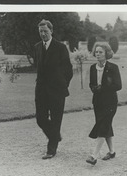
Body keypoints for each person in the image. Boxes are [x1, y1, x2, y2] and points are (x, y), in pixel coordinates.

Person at [34, 19, 73, 159]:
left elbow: (69, 70)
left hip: (57, 91)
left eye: (45, 31)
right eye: (41, 32)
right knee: (40, 119)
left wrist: (62, 85)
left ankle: (51, 150)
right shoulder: (37, 47)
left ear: (51, 31)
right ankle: (55, 136)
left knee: (56, 120)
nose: (43, 34)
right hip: (41, 91)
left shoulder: (60, 47)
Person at [86, 42, 122, 165]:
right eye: (96, 52)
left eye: (100, 52)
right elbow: (91, 84)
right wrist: (94, 89)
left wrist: (103, 88)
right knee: (105, 125)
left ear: (106, 53)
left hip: (110, 102)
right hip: (98, 102)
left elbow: (118, 85)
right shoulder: (92, 68)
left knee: (103, 126)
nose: (98, 54)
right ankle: (112, 152)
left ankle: (94, 155)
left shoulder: (113, 68)